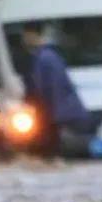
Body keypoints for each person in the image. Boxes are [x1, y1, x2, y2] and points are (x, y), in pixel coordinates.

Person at [21, 21, 88, 159]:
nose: (24, 40)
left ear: (32, 35)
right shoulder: (46, 56)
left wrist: (45, 110)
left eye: (25, 36)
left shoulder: (46, 58)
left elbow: (51, 87)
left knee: (49, 149)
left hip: (51, 112)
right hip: (51, 112)